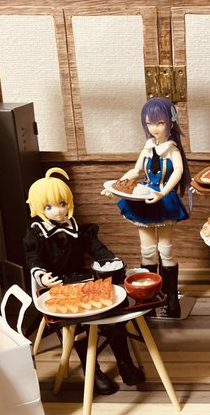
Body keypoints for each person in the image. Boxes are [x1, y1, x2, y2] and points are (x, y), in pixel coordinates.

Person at [24, 167, 145, 395]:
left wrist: (110, 260)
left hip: (83, 278)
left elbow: (95, 247)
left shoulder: (76, 228)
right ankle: (93, 371)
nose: (58, 211)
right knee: (78, 325)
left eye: (62, 204)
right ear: (38, 208)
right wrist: (42, 276)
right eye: (49, 207)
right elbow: (33, 259)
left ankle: (124, 362)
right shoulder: (37, 234)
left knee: (112, 312)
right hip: (57, 286)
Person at [110, 97, 191, 318]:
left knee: (166, 249)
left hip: (163, 200)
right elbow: (136, 171)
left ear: (171, 123)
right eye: (149, 123)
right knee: (147, 251)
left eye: (160, 123)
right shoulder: (147, 148)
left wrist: (163, 193)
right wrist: (117, 186)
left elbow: (178, 172)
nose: (154, 128)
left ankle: (171, 299)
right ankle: (148, 298)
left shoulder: (172, 150)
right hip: (145, 199)